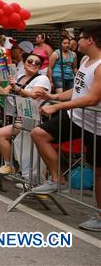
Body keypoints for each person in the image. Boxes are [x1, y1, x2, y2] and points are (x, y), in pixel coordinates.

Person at [31, 26, 101, 232]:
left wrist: (57, 106)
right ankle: (58, 179)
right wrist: (52, 97)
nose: (74, 42)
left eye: (78, 38)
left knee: (99, 173)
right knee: (39, 134)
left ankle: (99, 215)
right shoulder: (85, 61)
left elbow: (93, 98)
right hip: (77, 117)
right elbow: (79, 90)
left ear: (90, 40)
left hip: (96, 127)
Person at [0, 53, 51, 175]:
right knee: (0, 134)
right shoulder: (19, 77)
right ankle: (9, 166)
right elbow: (4, 93)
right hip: (21, 118)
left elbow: (34, 95)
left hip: (36, 120)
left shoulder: (42, 79)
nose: (33, 64)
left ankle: (33, 181)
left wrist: (17, 88)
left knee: (31, 152)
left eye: (37, 63)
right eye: (30, 61)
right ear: (24, 63)